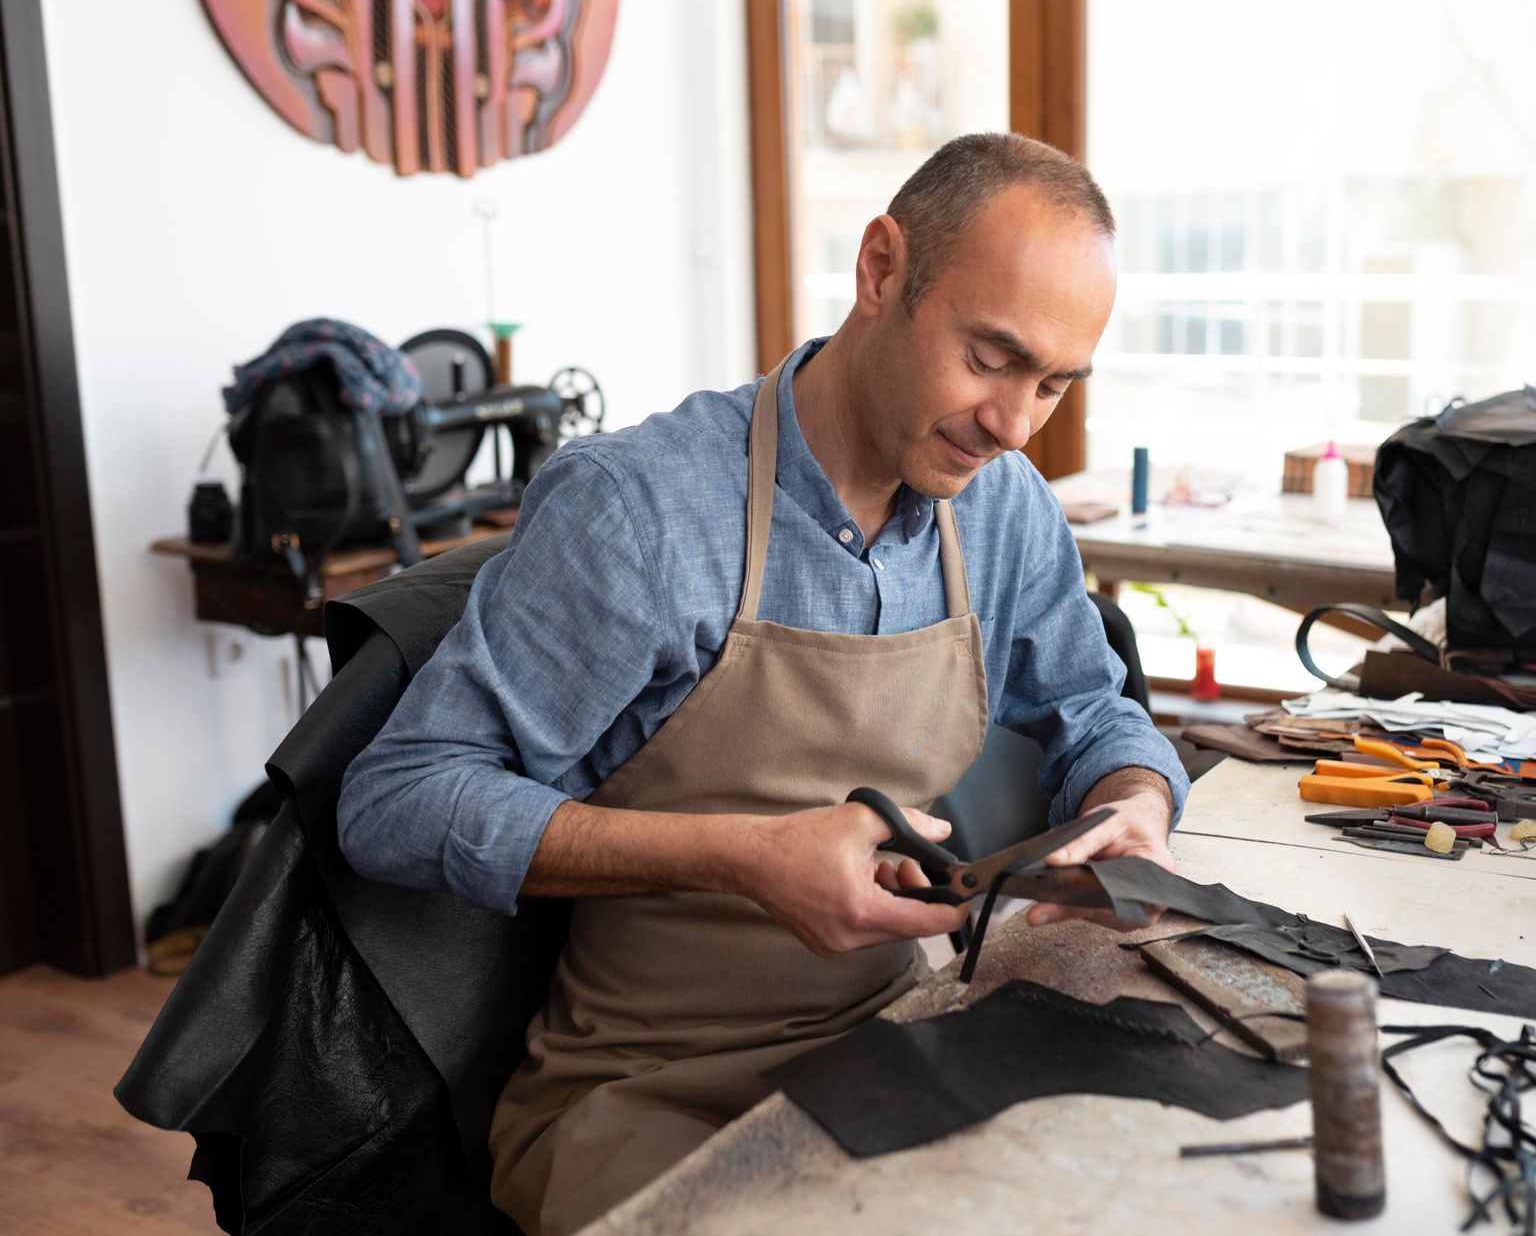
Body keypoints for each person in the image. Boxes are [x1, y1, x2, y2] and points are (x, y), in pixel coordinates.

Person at [336, 131, 1190, 1236]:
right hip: (647, 1091)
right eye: (990, 359)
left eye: (1055, 384)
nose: (1014, 425)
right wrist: (741, 855)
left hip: (894, 1039)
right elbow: (394, 798)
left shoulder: (1005, 506)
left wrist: (1136, 805)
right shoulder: (638, 513)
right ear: (881, 270)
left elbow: (1095, 711)